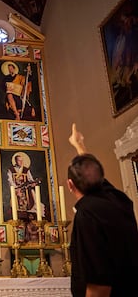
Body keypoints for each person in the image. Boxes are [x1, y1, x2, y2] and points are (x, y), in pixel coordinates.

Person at [67, 123, 138, 297]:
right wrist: (79, 146)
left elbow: (99, 285)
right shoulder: (120, 200)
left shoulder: (87, 216)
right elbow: (96, 177)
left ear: (70, 185)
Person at [7, 152, 43, 220]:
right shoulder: (11, 170)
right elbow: (10, 180)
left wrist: (33, 183)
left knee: (31, 201)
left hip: (26, 190)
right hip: (16, 190)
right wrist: (16, 188)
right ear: (15, 161)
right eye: (19, 160)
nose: (20, 162)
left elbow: (30, 179)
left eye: (21, 160)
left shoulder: (26, 170)